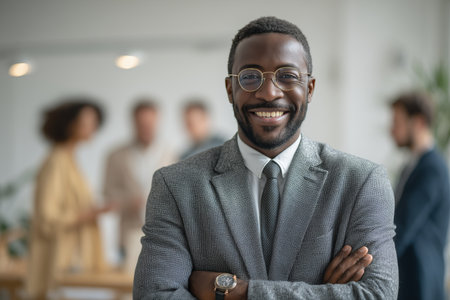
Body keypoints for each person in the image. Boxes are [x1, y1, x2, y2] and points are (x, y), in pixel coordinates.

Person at [134, 16, 398, 299]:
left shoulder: (361, 182)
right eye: (250, 77)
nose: (269, 93)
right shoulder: (176, 186)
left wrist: (236, 291)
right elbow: (155, 295)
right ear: (229, 89)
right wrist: (323, 292)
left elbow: (377, 294)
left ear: (309, 88)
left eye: (287, 76)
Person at [27, 99, 109, 299]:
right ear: (70, 124)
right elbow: (47, 218)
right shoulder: (57, 162)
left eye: (95, 121)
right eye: (87, 121)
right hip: (58, 263)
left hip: (69, 263)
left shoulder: (70, 160)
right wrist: (88, 214)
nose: (93, 127)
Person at [103, 98, 176, 272]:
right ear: (133, 123)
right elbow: (107, 192)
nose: (146, 128)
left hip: (163, 236)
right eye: (142, 124)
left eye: (150, 124)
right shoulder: (116, 155)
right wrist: (129, 201)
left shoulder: (171, 154)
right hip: (128, 233)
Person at [390, 91, 450, 300]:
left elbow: (402, 225)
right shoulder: (413, 166)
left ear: (418, 122)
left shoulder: (432, 168)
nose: (392, 130)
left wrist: (369, 265)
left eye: (397, 122)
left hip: (421, 283)